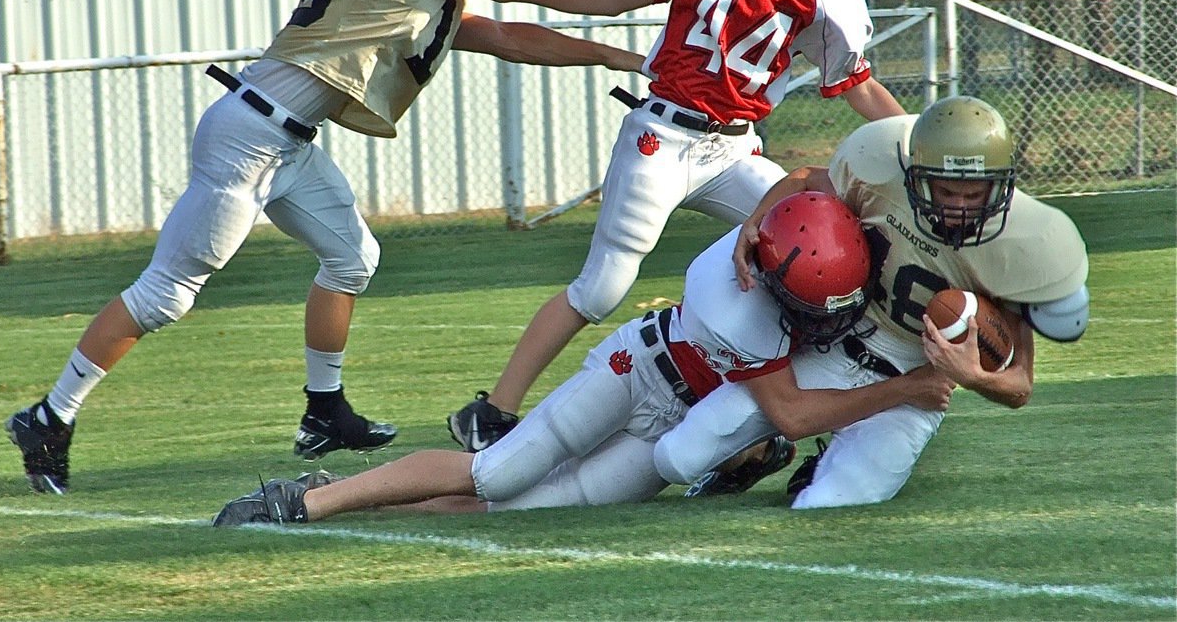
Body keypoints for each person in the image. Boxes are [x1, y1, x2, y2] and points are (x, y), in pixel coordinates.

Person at [5, 0, 685, 495]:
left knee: (353, 258)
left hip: (285, 138)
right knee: (166, 294)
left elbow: (507, 38)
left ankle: (324, 412)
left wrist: (617, 56)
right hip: (250, 134)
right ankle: (49, 416)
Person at [446, 0, 907, 452]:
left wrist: (914, 145)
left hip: (735, 150)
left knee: (825, 261)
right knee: (602, 288)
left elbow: (859, 87)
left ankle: (801, 431)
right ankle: (493, 410)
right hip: (661, 137)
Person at [212, 192, 955, 526]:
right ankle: (305, 503)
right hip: (638, 375)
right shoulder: (735, 301)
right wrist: (909, 387)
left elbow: (808, 181)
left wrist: (768, 207)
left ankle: (356, 498)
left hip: (673, 421)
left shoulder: (802, 242)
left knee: (522, 509)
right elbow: (789, 410)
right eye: (806, 303)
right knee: (498, 473)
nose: (822, 320)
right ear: (766, 274)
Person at [662, 94, 1091, 508]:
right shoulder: (881, 180)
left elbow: (1020, 386)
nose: (959, 208)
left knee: (825, 504)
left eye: (974, 194)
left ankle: (827, 464)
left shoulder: (1014, 251)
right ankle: (767, 451)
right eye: (946, 192)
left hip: (915, 389)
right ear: (916, 177)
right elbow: (805, 178)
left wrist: (974, 376)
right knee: (679, 456)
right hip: (832, 351)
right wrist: (754, 222)